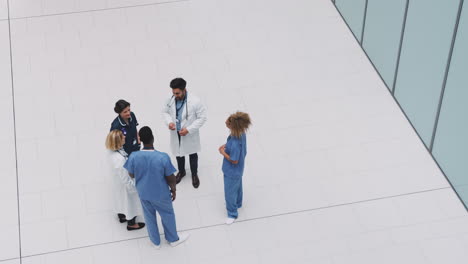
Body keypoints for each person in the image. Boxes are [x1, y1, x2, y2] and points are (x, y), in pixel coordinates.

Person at [124, 126, 190, 249]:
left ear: (140, 139)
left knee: (149, 216)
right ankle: (172, 239)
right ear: (153, 138)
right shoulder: (162, 157)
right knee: (167, 214)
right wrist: (173, 190)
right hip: (161, 194)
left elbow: (131, 174)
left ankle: (155, 242)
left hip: (143, 193)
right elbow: (170, 178)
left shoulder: (133, 156)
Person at [162, 78, 207, 188]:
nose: (175, 95)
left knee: (192, 154)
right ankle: (181, 172)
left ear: (184, 90)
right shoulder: (170, 99)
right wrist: (169, 122)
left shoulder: (195, 101)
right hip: (175, 131)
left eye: (177, 93)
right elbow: (164, 112)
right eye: (173, 93)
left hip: (189, 133)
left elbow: (202, 118)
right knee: (178, 153)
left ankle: (194, 174)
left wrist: (189, 129)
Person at [105, 129, 145, 231]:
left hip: (117, 183)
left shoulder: (112, 151)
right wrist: (134, 189)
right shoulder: (119, 159)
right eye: (122, 137)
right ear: (118, 141)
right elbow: (125, 179)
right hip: (124, 186)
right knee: (130, 203)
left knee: (120, 200)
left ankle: (121, 215)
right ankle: (131, 223)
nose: (125, 137)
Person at [218, 112, 251, 225]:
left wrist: (223, 152)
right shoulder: (241, 134)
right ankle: (238, 203)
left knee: (229, 192)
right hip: (238, 170)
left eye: (228, 124)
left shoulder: (236, 143)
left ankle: (232, 213)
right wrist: (227, 145)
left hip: (231, 171)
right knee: (237, 187)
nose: (226, 123)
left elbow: (234, 160)